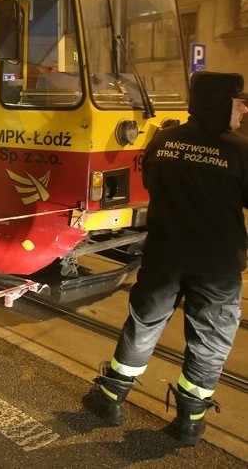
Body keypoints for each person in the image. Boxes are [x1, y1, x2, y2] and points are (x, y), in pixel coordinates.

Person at [83, 71, 248, 445]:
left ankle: (110, 398)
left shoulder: (164, 141)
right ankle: (190, 420)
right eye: (240, 103)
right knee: (210, 339)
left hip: (164, 255)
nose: (244, 111)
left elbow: (153, 183)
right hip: (216, 266)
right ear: (221, 104)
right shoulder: (240, 150)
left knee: (143, 325)